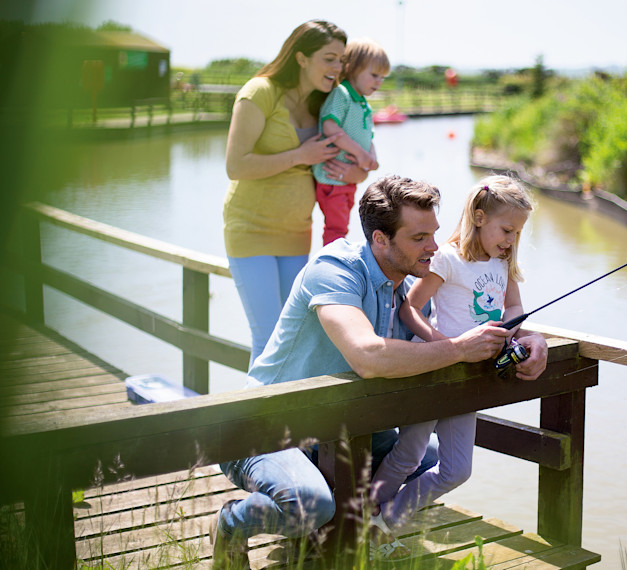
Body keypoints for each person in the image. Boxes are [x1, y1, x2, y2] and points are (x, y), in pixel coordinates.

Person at [211, 175, 549, 567]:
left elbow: (485, 312)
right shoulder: (334, 269)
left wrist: (532, 338)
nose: (435, 247)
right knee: (310, 503)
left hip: (334, 430)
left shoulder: (403, 289)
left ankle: (346, 528)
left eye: (434, 234)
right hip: (265, 427)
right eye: (419, 238)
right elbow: (367, 356)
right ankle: (232, 522)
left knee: (428, 459)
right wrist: (458, 350)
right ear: (380, 240)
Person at [368, 175, 536, 559]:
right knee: (408, 455)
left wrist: (512, 330)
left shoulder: (503, 261)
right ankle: (361, 517)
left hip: (470, 375)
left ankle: (385, 519)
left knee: (458, 469)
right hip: (436, 369)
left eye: (517, 232)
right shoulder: (448, 257)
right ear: (479, 217)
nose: (511, 239)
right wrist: (446, 346)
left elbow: (513, 307)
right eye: (506, 229)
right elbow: (410, 306)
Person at [223, 20, 368, 367]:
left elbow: (358, 164)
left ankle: (288, 420)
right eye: (329, 58)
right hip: (250, 230)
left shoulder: (328, 102)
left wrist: (355, 170)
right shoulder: (260, 92)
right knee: (268, 336)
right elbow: (235, 166)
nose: (337, 68)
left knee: (294, 335)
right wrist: (301, 156)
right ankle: (260, 420)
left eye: (341, 60)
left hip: (297, 234)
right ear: (301, 58)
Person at [312, 38, 389, 245]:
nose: (378, 82)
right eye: (374, 75)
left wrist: (372, 157)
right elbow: (330, 127)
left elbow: (369, 137)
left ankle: (336, 257)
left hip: (346, 179)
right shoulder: (342, 94)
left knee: (343, 225)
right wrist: (360, 154)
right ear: (353, 69)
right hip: (332, 177)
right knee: (336, 227)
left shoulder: (363, 104)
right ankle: (331, 263)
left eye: (382, 77)